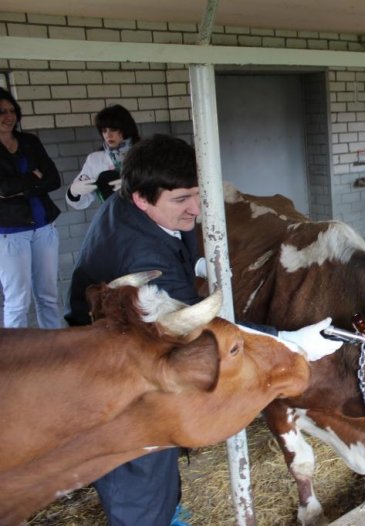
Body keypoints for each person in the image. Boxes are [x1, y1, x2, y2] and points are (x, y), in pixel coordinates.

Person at [65, 133, 342, 526]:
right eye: (181, 199)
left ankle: (164, 510)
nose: (196, 208)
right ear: (143, 198)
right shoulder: (140, 254)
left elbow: (176, 241)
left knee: (157, 451)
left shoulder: (128, 205)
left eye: (197, 193)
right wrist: (288, 341)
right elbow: (197, 327)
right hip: (112, 369)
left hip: (124, 343)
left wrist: (192, 262)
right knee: (139, 461)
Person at [0, 86, 62, 329]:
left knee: (48, 295)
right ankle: (17, 360)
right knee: (17, 300)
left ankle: (55, 349)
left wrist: (19, 187)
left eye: (12, 110)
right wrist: (34, 178)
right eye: (1, 112)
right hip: (9, 233)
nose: (8, 116)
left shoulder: (29, 141)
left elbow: (53, 179)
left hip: (44, 225)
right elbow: (2, 189)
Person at [66, 104, 140, 210]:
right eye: (104, 131)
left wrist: (135, 185)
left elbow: (163, 187)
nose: (108, 135)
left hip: (146, 219)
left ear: (125, 129)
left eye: (113, 129)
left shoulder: (145, 153)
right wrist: (73, 192)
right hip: (113, 219)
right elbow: (83, 201)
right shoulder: (95, 160)